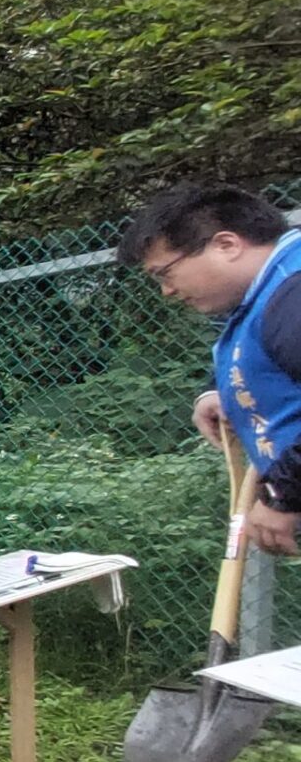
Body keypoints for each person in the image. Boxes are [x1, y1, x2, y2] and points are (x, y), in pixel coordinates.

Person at [123, 181, 301, 556]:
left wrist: (282, 494)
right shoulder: (271, 290)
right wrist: (219, 391)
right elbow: (262, 348)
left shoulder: (293, 296)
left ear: (227, 245)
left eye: (164, 273)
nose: (166, 291)